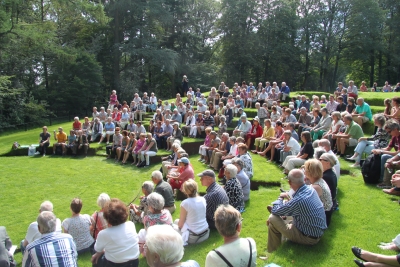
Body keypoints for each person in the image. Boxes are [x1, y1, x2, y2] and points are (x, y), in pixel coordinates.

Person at [266, 169, 327, 253]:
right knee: (275, 221)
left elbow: (276, 210)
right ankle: (275, 251)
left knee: (272, 217)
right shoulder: (310, 190)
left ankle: (272, 251)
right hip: (316, 231)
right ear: (304, 179)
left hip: (308, 238)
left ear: (289, 182)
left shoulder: (299, 201)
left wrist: (280, 197)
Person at [91, 199, 139, 267]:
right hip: (134, 263)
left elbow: (97, 249)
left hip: (115, 264)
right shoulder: (131, 225)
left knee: (95, 256)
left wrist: (100, 252)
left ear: (107, 218)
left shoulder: (103, 234)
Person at [172, 180, 210, 245]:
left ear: (185, 191)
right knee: (176, 221)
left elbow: (180, 224)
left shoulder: (185, 203)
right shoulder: (203, 199)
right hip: (205, 233)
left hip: (194, 237)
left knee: (172, 226)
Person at [304, 159, 333, 226]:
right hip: (324, 212)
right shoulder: (320, 180)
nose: (304, 171)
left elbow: (303, 202)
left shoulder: (316, 187)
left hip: (322, 218)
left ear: (309, 172)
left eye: (305, 169)